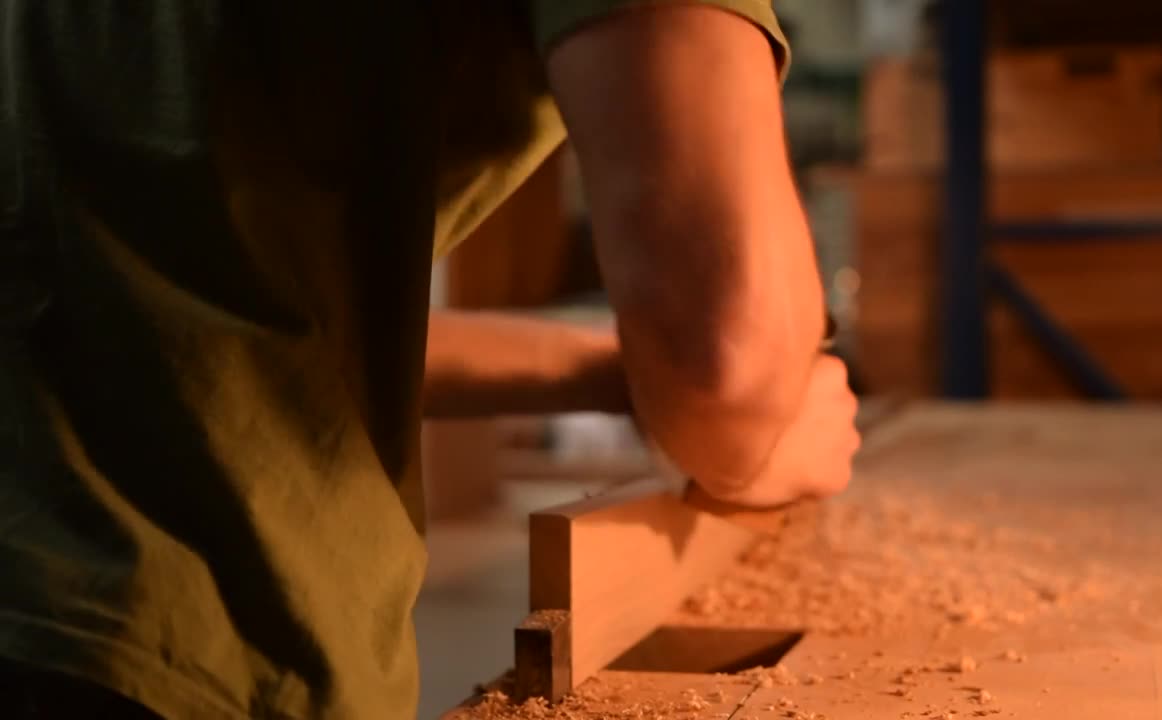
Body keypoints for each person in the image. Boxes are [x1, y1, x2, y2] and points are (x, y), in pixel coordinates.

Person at [0, 1, 860, 717]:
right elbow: (727, 363)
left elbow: (204, 293)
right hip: (166, 637)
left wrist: (611, 373)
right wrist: (765, 426)